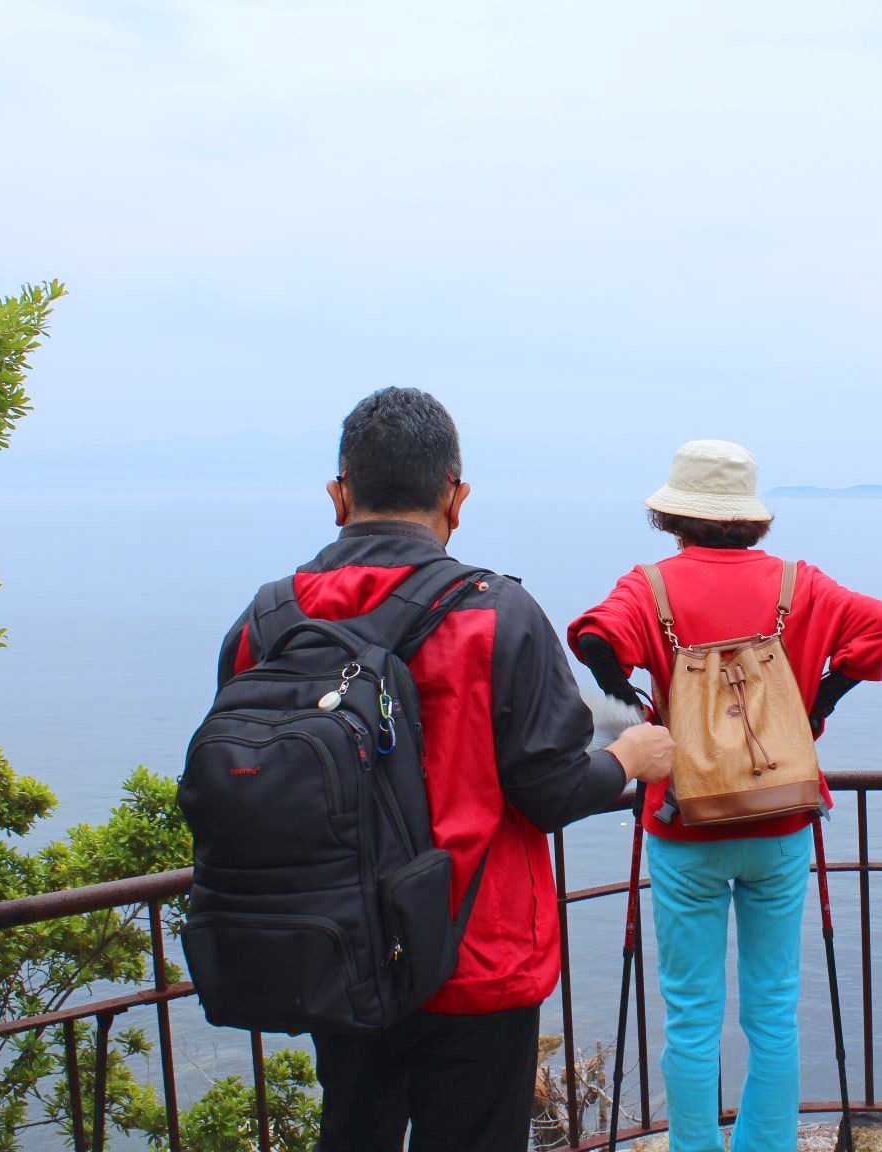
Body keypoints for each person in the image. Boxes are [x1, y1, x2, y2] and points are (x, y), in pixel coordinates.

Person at [214, 387, 675, 1152]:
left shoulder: (267, 620)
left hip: (334, 950)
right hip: (475, 955)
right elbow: (551, 788)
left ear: (339, 495)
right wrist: (628, 757)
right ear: (455, 498)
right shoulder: (497, 614)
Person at [568, 439, 882, 1152]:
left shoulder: (650, 587)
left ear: (676, 515)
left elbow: (594, 638)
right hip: (780, 820)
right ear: (749, 515)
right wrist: (820, 704)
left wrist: (635, 707)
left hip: (682, 823)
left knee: (691, 1014)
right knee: (774, 1008)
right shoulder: (798, 584)